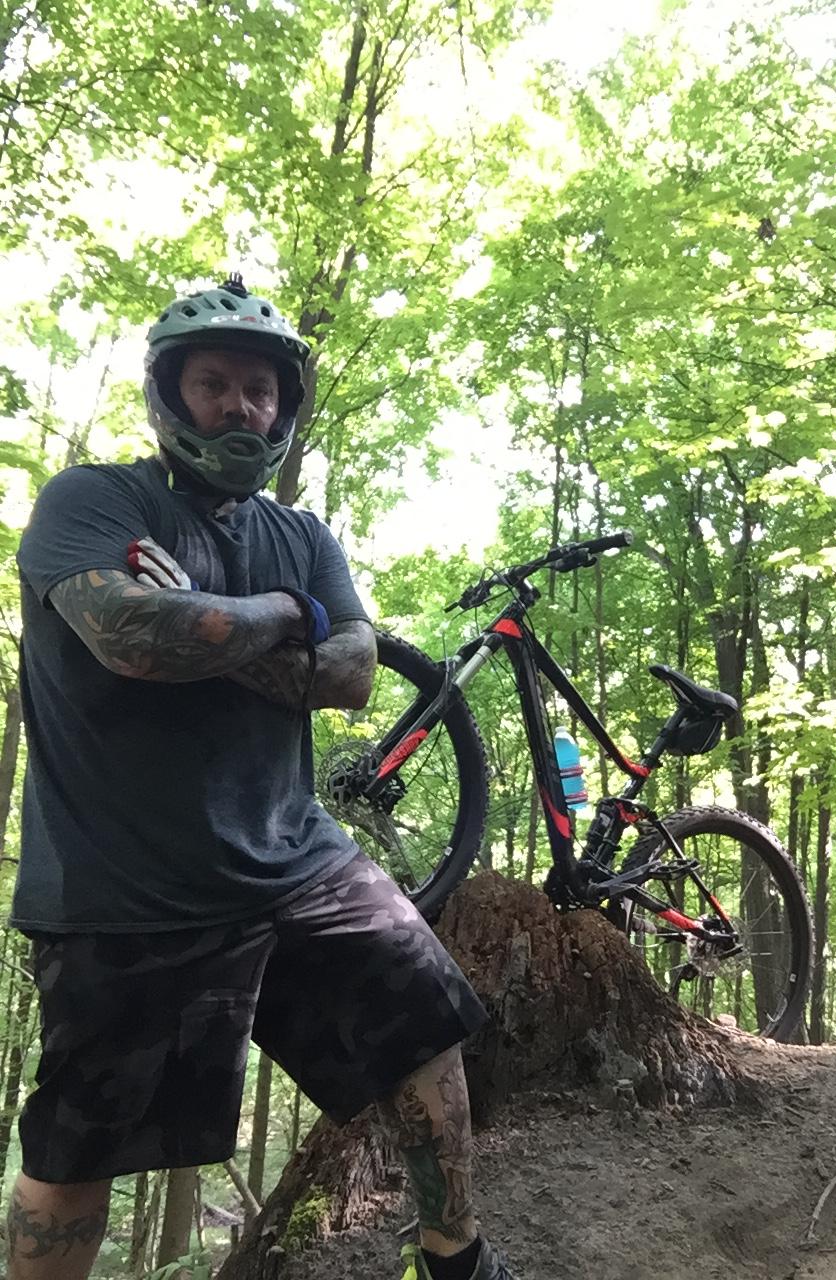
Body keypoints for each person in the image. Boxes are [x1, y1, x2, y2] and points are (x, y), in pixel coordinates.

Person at [8, 274, 516, 1280]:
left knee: (427, 1025)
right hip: (125, 889)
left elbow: (356, 673)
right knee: (78, 1147)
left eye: (260, 389)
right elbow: (133, 636)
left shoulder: (301, 535)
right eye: (214, 383)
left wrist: (234, 611)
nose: (240, 405)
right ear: (168, 392)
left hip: (296, 859)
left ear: (285, 406)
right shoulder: (93, 499)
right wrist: (290, 619)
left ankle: (454, 1255)